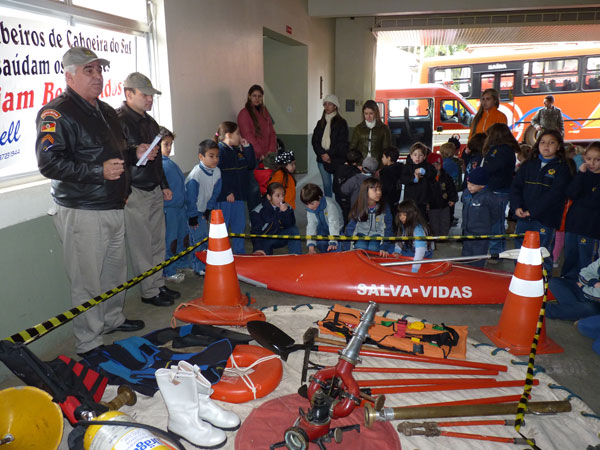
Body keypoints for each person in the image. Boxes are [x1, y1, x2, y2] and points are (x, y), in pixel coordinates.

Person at [35, 47, 146, 356]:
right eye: (89, 71)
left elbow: (114, 152)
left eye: (99, 70)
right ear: (69, 75)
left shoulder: (106, 111)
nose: (97, 76)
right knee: (87, 281)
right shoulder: (56, 113)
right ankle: (89, 341)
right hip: (82, 209)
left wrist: (133, 152)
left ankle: (111, 319)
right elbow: (49, 164)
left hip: (112, 205)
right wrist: (97, 172)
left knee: (113, 273)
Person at [117, 72, 179, 307]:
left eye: (152, 96)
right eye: (145, 95)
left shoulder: (150, 122)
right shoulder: (119, 121)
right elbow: (118, 155)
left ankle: (158, 283)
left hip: (152, 186)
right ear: (129, 94)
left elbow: (157, 159)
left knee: (157, 240)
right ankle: (149, 291)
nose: (150, 100)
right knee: (142, 243)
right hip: (135, 189)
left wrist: (163, 185)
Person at [510, 130, 572, 273]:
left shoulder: (562, 168)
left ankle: (542, 283)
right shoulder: (528, 165)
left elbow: (555, 195)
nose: (546, 146)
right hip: (523, 217)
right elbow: (516, 188)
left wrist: (534, 211)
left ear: (558, 147)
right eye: (543, 142)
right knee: (521, 251)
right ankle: (521, 277)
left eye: (551, 143)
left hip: (545, 219)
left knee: (542, 253)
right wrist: (517, 207)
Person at [215, 121, 256, 254]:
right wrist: (227, 191)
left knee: (239, 226)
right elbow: (218, 174)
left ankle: (239, 253)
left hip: (239, 195)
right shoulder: (220, 151)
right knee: (224, 226)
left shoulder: (237, 150)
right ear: (228, 135)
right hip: (226, 197)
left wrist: (248, 147)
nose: (240, 136)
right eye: (237, 133)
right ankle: (223, 254)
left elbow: (250, 164)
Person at [561, 142, 600, 279]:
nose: (592, 163)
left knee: (586, 263)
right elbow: (571, 193)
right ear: (584, 157)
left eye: (597, 160)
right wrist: (580, 175)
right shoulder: (582, 174)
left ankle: (586, 290)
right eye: (589, 159)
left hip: (591, 229)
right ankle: (567, 287)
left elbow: (593, 201)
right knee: (570, 259)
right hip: (573, 225)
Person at [480, 123, 518, 256]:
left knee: (496, 223)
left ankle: (496, 252)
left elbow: (491, 167)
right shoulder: (499, 149)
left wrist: (481, 171)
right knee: (494, 221)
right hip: (494, 188)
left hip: (499, 190)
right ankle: (495, 249)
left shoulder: (503, 150)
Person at [237, 85, 277, 211]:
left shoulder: (265, 112)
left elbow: (272, 133)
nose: (257, 98)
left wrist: (270, 150)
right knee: (254, 188)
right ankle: (254, 215)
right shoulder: (244, 114)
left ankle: (264, 212)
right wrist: (261, 153)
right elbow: (248, 135)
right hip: (253, 156)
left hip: (267, 156)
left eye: (259, 96)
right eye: (254, 95)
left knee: (266, 186)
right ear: (249, 96)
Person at [185, 139, 222, 276]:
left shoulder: (217, 172)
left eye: (217, 156)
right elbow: (190, 199)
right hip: (193, 212)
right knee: (197, 240)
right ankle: (197, 267)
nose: (215, 159)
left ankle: (205, 263)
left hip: (204, 211)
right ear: (201, 157)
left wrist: (208, 210)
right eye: (211, 156)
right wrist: (193, 216)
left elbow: (216, 193)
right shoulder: (196, 175)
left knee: (205, 238)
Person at [160, 127, 190, 283]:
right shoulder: (158, 165)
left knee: (181, 238)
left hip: (179, 209)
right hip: (169, 210)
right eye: (166, 144)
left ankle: (180, 263)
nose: (169, 148)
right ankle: (168, 271)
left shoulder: (170, 163)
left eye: (171, 144)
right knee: (170, 240)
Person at [461, 167, 504, 267]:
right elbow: (463, 202)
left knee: (478, 255)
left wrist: (486, 224)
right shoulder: (466, 193)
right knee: (466, 253)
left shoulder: (489, 197)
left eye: (473, 185)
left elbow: (496, 213)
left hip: (481, 233)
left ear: (482, 186)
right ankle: (465, 270)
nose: (469, 187)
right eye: (468, 184)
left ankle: (477, 271)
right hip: (467, 230)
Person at [311, 94, 349, 197]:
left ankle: (339, 207)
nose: (327, 106)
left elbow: (342, 143)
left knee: (338, 185)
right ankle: (329, 207)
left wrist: (329, 155)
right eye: (325, 104)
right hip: (322, 159)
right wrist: (323, 154)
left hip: (337, 159)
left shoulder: (342, 123)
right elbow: (315, 141)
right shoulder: (320, 123)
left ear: (335, 106)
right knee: (327, 185)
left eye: (330, 104)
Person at [249, 182, 302, 256]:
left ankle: (296, 257)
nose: (281, 198)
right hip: (265, 239)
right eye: (277, 196)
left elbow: (290, 225)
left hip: (280, 236)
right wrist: (258, 248)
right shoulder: (257, 211)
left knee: (294, 229)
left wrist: (285, 212)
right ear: (269, 197)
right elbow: (255, 231)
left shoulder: (287, 207)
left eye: (283, 195)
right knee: (265, 261)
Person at [345, 177, 394, 256]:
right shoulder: (359, 207)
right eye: (375, 190)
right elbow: (351, 228)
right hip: (361, 235)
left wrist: (384, 246)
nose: (379, 193)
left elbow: (388, 227)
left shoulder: (384, 207)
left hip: (377, 236)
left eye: (380, 189)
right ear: (365, 191)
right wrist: (348, 247)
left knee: (373, 248)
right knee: (360, 247)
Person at [300, 183, 344, 254]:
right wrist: (311, 245)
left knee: (336, 249)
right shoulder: (310, 209)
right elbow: (311, 226)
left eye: (311, 203)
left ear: (319, 198)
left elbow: (334, 224)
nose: (309, 207)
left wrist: (333, 241)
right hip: (322, 228)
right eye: (306, 204)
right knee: (321, 244)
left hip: (336, 229)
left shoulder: (330, 206)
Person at [394, 200, 434, 273]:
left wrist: (414, 270)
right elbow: (400, 239)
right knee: (391, 251)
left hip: (424, 253)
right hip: (411, 246)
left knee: (401, 257)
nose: (401, 217)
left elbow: (420, 251)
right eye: (400, 215)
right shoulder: (404, 224)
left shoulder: (418, 230)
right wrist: (397, 251)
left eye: (404, 215)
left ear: (413, 214)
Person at [400, 142, 435, 220]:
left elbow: (433, 174)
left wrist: (424, 172)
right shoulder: (407, 167)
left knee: (422, 220)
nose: (417, 157)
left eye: (420, 155)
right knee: (409, 219)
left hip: (423, 200)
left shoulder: (427, 166)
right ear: (411, 156)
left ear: (425, 156)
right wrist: (413, 179)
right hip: (410, 200)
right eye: (415, 155)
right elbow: (402, 179)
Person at [349, 100, 391, 164]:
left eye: (371, 113)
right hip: (361, 163)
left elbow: (386, 150)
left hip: (377, 163)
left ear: (376, 113)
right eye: (366, 113)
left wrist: (381, 168)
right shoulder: (358, 128)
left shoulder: (384, 128)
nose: (368, 116)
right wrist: (356, 164)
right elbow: (352, 148)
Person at [427, 152, 458, 237]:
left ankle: (443, 236)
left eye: (438, 163)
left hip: (445, 204)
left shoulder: (446, 177)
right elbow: (425, 192)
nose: (436, 166)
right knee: (434, 222)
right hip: (432, 206)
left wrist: (453, 199)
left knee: (445, 221)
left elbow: (452, 189)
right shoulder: (427, 178)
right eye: (433, 164)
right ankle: (436, 237)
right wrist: (426, 203)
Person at [333, 150, 362, 226]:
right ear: (356, 163)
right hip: (350, 200)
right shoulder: (356, 172)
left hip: (339, 198)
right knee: (350, 218)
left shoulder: (338, 168)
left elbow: (334, 186)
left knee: (341, 217)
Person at [379, 147, 403, 228]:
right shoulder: (402, 169)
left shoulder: (385, 172)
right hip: (399, 198)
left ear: (388, 158)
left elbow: (386, 187)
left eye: (383, 157)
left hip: (388, 199)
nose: (382, 159)